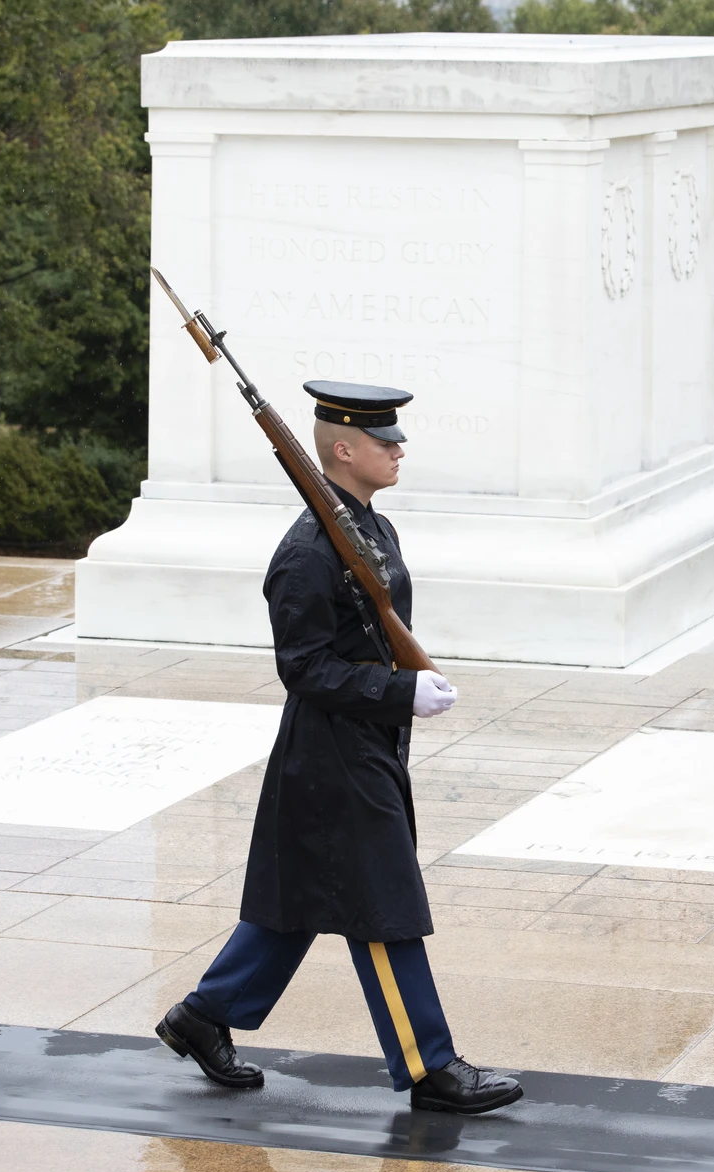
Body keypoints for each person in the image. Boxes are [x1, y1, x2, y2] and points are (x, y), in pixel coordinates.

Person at [157, 379, 523, 1116]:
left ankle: (203, 1016)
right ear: (344, 450)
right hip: (331, 755)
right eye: (386, 442)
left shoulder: (369, 530)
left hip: (360, 743)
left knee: (297, 902)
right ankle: (431, 1066)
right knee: (381, 908)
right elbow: (303, 668)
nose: (399, 450)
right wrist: (399, 693)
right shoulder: (306, 553)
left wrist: (407, 684)